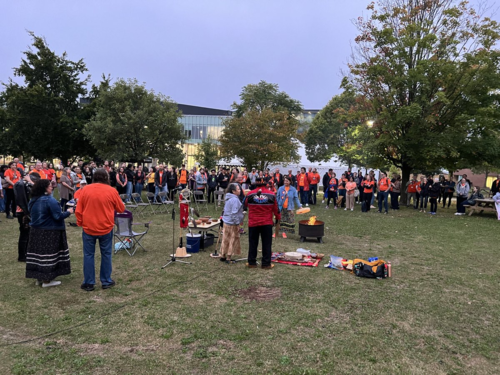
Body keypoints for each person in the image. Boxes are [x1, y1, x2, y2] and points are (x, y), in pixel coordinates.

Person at [75, 169, 125, 291]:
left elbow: (78, 210)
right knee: (106, 254)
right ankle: (106, 281)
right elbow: (121, 208)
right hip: (106, 228)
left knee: (88, 255)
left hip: (89, 227)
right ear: (106, 177)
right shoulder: (112, 191)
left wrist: (81, 223)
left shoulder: (85, 189)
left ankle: (89, 282)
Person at [26, 179, 73, 288]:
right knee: (48, 255)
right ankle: (47, 280)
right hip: (49, 231)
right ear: (44, 188)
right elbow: (58, 216)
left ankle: (39, 278)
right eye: (49, 186)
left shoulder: (33, 200)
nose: (52, 187)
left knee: (38, 255)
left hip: (35, 231)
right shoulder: (49, 200)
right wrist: (68, 212)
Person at [244, 181, 281, 269]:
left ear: (255, 184)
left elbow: (245, 204)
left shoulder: (250, 194)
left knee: (253, 243)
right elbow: (276, 208)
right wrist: (278, 218)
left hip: (253, 222)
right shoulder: (271, 194)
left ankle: (252, 262)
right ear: (266, 184)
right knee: (267, 243)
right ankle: (266, 264)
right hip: (266, 223)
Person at [220, 183, 245, 264]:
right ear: (233, 191)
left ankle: (223, 255)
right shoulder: (234, 200)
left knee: (225, 239)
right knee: (232, 239)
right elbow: (234, 213)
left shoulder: (228, 197)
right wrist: (237, 223)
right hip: (232, 223)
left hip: (226, 221)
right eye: (238, 189)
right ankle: (228, 257)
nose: (240, 190)